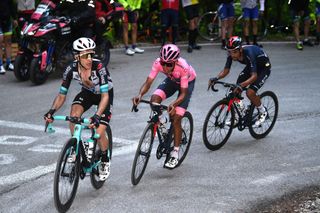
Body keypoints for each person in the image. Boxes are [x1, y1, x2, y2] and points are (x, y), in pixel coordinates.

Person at [44, 37, 113, 181]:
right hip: (88, 93)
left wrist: (97, 116)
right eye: (85, 55)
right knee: (74, 115)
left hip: (104, 96)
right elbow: (62, 95)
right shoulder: (71, 69)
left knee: (99, 132)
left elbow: (105, 96)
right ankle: (76, 146)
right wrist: (51, 111)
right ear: (77, 57)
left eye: (91, 54)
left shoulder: (99, 67)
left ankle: (105, 159)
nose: (89, 58)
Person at [132, 44, 196, 169]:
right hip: (172, 80)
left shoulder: (183, 68)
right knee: (154, 100)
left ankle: (175, 153)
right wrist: (140, 95)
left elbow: (183, 94)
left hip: (187, 83)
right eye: (163, 63)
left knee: (176, 117)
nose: (165, 67)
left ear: (175, 62)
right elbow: (148, 82)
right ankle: (162, 125)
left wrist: (173, 104)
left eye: (169, 64)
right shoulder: (158, 63)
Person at [209, 36, 271, 127]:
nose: (232, 55)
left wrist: (242, 85)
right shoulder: (231, 54)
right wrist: (216, 78)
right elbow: (226, 70)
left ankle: (263, 112)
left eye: (234, 52)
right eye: (230, 52)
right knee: (234, 91)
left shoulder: (249, 53)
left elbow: (254, 76)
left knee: (250, 92)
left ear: (240, 49)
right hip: (251, 67)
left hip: (263, 68)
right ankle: (238, 116)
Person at [0, 0, 17, 74]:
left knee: (8, 42)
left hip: (7, 20)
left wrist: (14, 18)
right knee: (0, 42)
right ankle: (0, 65)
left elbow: (11, 6)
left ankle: (8, 63)